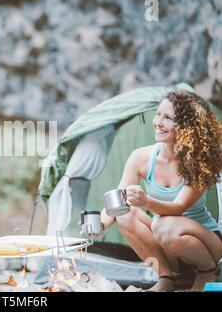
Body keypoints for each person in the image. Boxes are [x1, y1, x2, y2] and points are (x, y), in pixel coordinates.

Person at [94, 89, 222, 292]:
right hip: (165, 238)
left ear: (186, 127)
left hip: (205, 243)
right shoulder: (141, 158)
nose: (158, 122)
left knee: (164, 225)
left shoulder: (198, 162)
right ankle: (165, 277)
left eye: (168, 118)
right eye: (158, 114)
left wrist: (146, 202)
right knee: (125, 215)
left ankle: (208, 271)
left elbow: (178, 208)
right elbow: (118, 201)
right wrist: (99, 225)